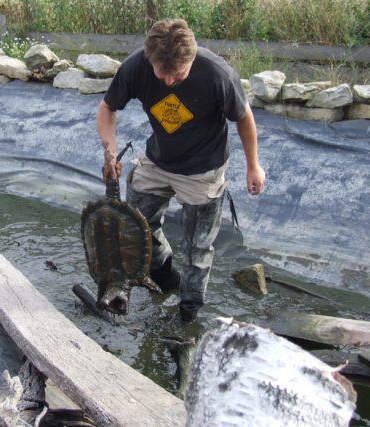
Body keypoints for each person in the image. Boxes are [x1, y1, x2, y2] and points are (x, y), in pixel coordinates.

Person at [96, 18, 266, 322]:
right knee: (136, 227)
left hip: (203, 169)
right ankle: (165, 277)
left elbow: (244, 118)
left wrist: (253, 166)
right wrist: (110, 152)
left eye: (178, 74)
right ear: (151, 60)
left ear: (193, 57)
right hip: (158, 160)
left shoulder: (218, 74)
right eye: (163, 74)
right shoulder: (137, 66)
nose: (170, 82)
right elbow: (107, 108)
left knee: (197, 249)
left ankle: (187, 314)